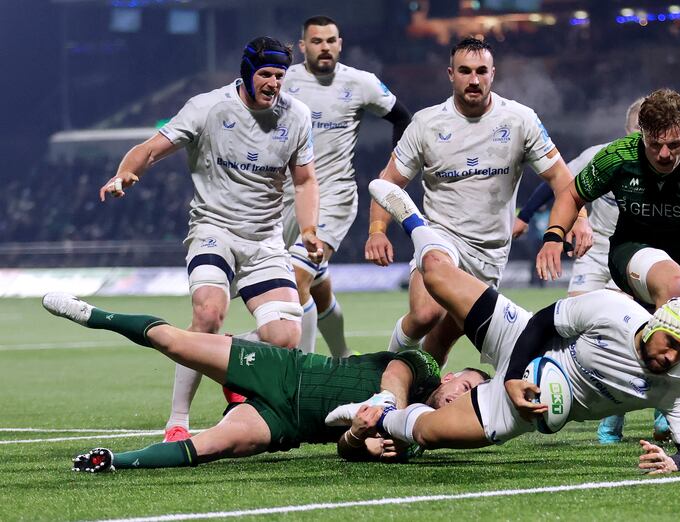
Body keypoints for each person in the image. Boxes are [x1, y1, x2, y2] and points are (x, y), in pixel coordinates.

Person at [347, 179, 680, 474]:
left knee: (426, 433)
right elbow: (543, 321)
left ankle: (384, 415)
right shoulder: (612, 308)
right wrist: (512, 377)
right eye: (670, 342)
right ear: (655, 324)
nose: (671, 355)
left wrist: (674, 462)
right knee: (438, 276)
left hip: (524, 409)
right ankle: (414, 221)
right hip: (522, 338)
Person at [98, 36, 325, 442]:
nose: (274, 84)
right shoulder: (208, 107)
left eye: (280, 76)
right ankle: (178, 422)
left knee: (284, 337)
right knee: (207, 314)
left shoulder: (298, 116)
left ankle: (227, 352)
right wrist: (125, 174)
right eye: (266, 75)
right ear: (247, 72)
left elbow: (305, 179)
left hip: (264, 241)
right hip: (213, 229)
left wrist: (308, 229)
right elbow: (150, 149)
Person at [40, 292, 488, 472]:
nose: (456, 397)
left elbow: (348, 450)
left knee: (211, 447)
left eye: (466, 400)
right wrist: (389, 404)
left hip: (285, 423)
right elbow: (397, 372)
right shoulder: (425, 368)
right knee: (176, 343)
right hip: (284, 368)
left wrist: (358, 439)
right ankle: (94, 315)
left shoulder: (416, 436)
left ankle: (115, 460)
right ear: (450, 376)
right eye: (464, 387)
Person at [364, 37, 591, 365]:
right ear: (450, 74)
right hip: (440, 240)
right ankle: (383, 370)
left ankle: (418, 392)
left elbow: (562, 179)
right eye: (465, 71)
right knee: (426, 314)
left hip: (489, 254)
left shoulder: (519, 120)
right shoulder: (426, 124)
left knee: (442, 339)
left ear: (492, 74)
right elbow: (388, 183)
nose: (474, 79)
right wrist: (376, 230)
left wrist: (580, 220)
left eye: (481, 71)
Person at [536, 88, 680, 359]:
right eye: (655, 144)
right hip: (631, 251)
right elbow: (571, 193)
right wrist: (553, 237)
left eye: (674, 144)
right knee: (673, 287)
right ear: (641, 134)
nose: (664, 154)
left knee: (671, 359)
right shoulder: (619, 156)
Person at [514, 98, 649, 443]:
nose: (641, 139)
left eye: (647, 132)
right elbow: (557, 183)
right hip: (593, 251)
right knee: (573, 325)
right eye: (637, 130)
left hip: (633, 254)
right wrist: (524, 217)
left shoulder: (658, 167)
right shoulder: (600, 156)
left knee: (626, 332)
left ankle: (618, 421)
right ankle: (585, 402)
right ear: (627, 129)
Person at [279, 15, 411, 355]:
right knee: (317, 285)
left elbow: (401, 116)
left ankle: (299, 375)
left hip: (334, 198)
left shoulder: (360, 82)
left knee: (296, 278)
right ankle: (342, 356)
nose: (325, 47)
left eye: (331, 40)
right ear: (302, 46)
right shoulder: (282, 81)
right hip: (285, 200)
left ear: (340, 44)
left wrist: (395, 166)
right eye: (317, 41)